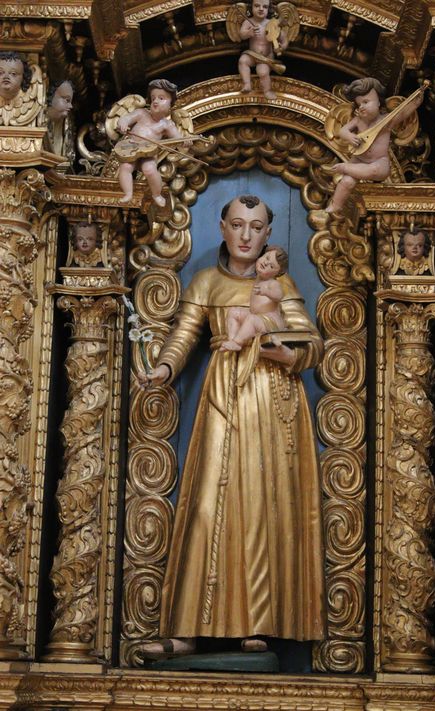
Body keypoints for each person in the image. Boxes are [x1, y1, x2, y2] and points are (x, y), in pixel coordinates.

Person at [138, 194, 326, 658]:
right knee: (208, 502)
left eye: (256, 228)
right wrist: (164, 369)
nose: (246, 236)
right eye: (238, 225)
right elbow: (185, 334)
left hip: (270, 396)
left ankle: (259, 621)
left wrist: (288, 353)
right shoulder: (206, 281)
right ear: (222, 227)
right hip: (224, 394)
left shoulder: (279, 283)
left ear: (268, 235)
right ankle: (187, 627)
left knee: (262, 503)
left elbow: (310, 341)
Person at [325, 77, 424, 216]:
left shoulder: (386, 121)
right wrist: (349, 136)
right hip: (359, 159)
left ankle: (345, 168)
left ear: (378, 102)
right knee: (346, 182)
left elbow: (402, 114)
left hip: (379, 161)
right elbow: (342, 131)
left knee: (376, 170)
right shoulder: (358, 120)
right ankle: (336, 205)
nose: (362, 106)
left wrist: (415, 103)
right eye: (359, 104)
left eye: (366, 102)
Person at [116, 79, 185, 207]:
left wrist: (185, 142)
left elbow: (178, 139)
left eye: (161, 98)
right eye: (153, 98)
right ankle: (128, 193)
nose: (155, 101)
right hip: (131, 147)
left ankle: (157, 194)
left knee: (150, 170)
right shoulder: (141, 113)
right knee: (125, 167)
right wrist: (123, 123)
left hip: (148, 153)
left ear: (170, 104)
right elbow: (125, 118)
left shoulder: (167, 125)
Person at [220, 245, 287, 351]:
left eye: (271, 266)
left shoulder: (273, 283)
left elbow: (279, 296)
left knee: (251, 319)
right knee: (234, 312)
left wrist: (266, 292)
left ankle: (237, 342)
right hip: (257, 317)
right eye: (267, 257)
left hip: (270, 322)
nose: (266, 263)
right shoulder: (258, 279)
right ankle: (232, 340)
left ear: (277, 273)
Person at [238, 0, 287, 99]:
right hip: (252, 54)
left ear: (269, 9)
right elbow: (241, 35)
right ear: (251, 7)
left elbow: (283, 38)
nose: (261, 9)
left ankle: (267, 90)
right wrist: (249, 33)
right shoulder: (248, 22)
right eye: (257, 6)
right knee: (242, 61)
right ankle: (247, 84)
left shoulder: (272, 23)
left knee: (262, 72)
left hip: (266, 57)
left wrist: (282, 47)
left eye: (264, 7)